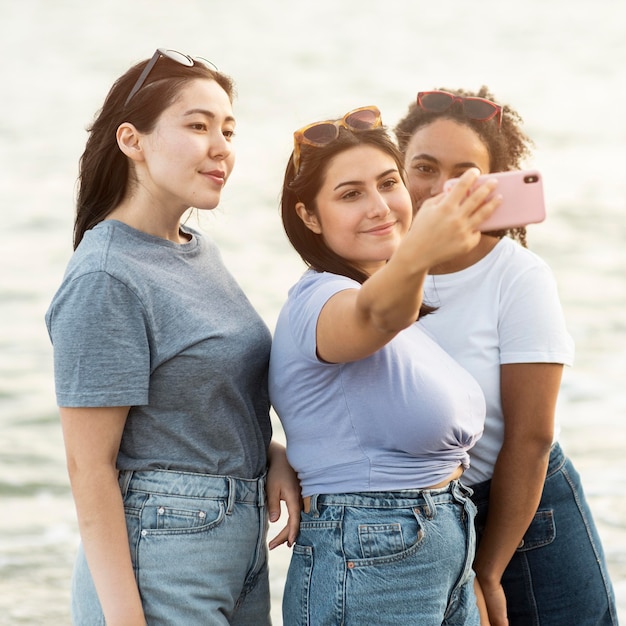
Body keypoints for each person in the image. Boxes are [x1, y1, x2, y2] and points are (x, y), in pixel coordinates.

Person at [45, 49, 300, 626]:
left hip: (235, 544)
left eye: (228, 129)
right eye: (198, 125)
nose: (221, 147)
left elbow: (197, 398)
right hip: (163, 551)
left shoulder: (195, 250)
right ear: (132, 140)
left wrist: (270, 453)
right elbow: (90, 469)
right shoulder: (107, 276)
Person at [268, 105, 502, 625]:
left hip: (439, 541)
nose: (380, 206)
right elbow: (375, 314)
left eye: (388, 183)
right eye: (350, 194)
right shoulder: (322, 298)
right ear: (309, 216)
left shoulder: (402, 312)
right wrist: (420, 250)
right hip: (372, 551)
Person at [394, 87, 618, 626]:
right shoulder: (368, 273)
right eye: (423, 167)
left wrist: (488, 568)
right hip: (421, 518)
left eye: (465, 173)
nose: (440, 189)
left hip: (523, 508)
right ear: (397, 169)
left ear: (493, 186)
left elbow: (531, 436)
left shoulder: (516, 276)